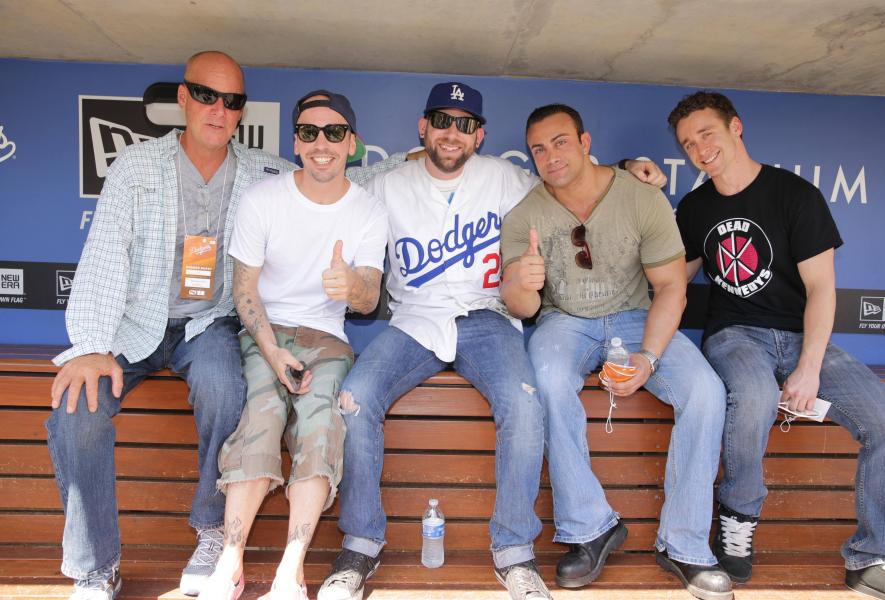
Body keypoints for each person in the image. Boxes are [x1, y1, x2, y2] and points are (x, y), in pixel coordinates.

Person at [46, 51, 407, 600]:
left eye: (232, 101)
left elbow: (333, 174)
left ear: (242, 110)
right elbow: (103, 256)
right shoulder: (136, 166)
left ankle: (214, 535)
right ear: (184, 99)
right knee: (78, 410)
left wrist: (424, 154)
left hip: (206, 325)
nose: (219, 110)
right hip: (131, 327)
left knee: (224, 387)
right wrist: (92, 346)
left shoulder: (263, 169)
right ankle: (98, 567)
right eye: (207, 96)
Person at [316, 82, 665, 600]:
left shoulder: (509, 179)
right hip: (415, 318)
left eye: (463, 124)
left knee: (525, 408)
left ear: (479, 135)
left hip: (488, 317)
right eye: (441, 120)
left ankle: (515, 553)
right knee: (355, 398)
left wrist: (628, 164)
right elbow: (323, 170)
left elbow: (570, 178)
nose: (450, 133)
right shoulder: (386, 184)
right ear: (422, 127)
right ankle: (360, 546)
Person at [670, 91, 885, 600]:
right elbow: (673, 282)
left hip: (800, 337)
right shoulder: (694, 207)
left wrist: (810, 366)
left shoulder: (794, 194)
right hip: (735, 335)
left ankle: (874, 556)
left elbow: (822, 289)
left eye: (706, 133)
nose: (699, 148)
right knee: (750, 397)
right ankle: (737, 519)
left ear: (736, 127)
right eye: (688, 143)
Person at [500, 103, 733, 600]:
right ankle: (590, 529)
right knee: (545, 377)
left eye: (561, 141)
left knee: (707, 391)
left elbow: (672, 287)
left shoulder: (639, 197)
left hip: (636, 315)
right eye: (539, 149)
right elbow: (521, 306)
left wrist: (648, 357)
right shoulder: (525, 216)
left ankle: (685, 544)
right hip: (564, 322)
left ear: (585, 143)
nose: (550, 156)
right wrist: (521, 283)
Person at [197, 90, 387, 600]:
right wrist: (271, 348)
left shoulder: (368, 210)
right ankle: (231, 563)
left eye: (332, 132)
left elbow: (368, 300)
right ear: (296, 140)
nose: (320, 143)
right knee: (261, 414)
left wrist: (352, 285)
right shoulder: (265, 199)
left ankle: (291, 568)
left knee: (322, 423)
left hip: (328, 339)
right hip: (264, 332)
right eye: (308, 132)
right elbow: (243, 290)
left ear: (351, 142)